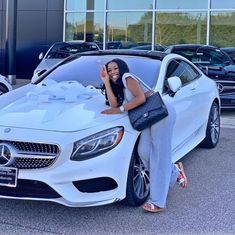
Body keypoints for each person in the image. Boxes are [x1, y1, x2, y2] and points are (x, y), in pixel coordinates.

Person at [100, 58, 187, 213]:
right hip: (146, 117)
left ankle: (158, 201)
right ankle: (174, 170)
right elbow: (113, 104)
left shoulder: (127, 77)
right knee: (144, 153)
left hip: (160, 113)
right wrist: (106, 81)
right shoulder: (118, 85)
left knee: (159, 155)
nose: (113, 72)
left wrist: (120, 110)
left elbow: (140, 98)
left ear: (121, 67)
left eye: (115, 68)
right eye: (109, 70)